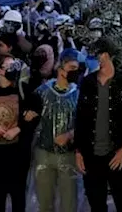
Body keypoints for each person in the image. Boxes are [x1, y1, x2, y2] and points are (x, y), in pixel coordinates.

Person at [75, 39, 122, 212]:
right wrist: (79, 151)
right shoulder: (87, 82)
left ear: (106, 55)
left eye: (94, 54)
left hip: (117, 155)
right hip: (91, 155)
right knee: (96, 203)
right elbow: (80, 118)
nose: (91, 58)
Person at [0, 53, 40, 212]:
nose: (14, 70)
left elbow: (36, 112)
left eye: (15, 65)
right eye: (9, 66)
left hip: (19, 152)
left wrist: (18, 128)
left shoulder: (23, 89)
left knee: (18, 194)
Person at [33, 50, 81, 212]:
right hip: (43, 152)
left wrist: (70, 135)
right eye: (72, 68)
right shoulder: (42, 92)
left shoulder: (79, 94)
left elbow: (87, 123)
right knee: (45, 202)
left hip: (68, 155)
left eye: (78, 68)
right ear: (61, 69)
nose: (76, 72)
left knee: (69, 202)